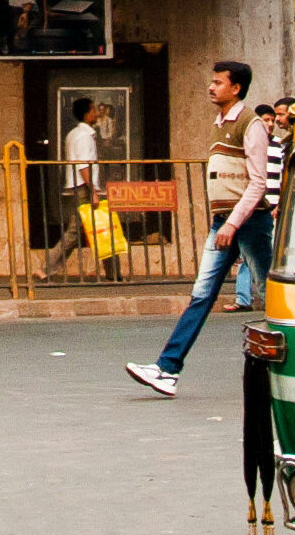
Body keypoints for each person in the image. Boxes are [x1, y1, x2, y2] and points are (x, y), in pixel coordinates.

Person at [127, 62, 275, 396]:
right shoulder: (218, 124)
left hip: (249, 223)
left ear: (235, 88)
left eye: (218, 82)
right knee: (201, 294)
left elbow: (258, 183)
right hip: (223, 223)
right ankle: (167, 369)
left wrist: (234, 223)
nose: (211, 87)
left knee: (271, 298)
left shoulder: (250, 124)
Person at [42, 96, 125, 281]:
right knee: (78, 231)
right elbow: (83, 166)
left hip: (78, 187)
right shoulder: (85, 136)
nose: (97, 113)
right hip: (84, 188)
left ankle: (114, 273)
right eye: (94, 110)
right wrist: (93, 191)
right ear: (87, 114)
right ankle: (46, 268)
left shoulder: (73, 134)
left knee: (102, 227)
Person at [236, 98, 295, 314]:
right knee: (249, 253)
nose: (272, 123)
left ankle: (272, 300)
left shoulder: (282, 146)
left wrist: (278, 204)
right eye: (268, 120)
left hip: (274, 206)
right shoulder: (251, 144)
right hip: (257, 207)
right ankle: (244, 298)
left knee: (267, 254)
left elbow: (283, 177)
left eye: (276, 118)